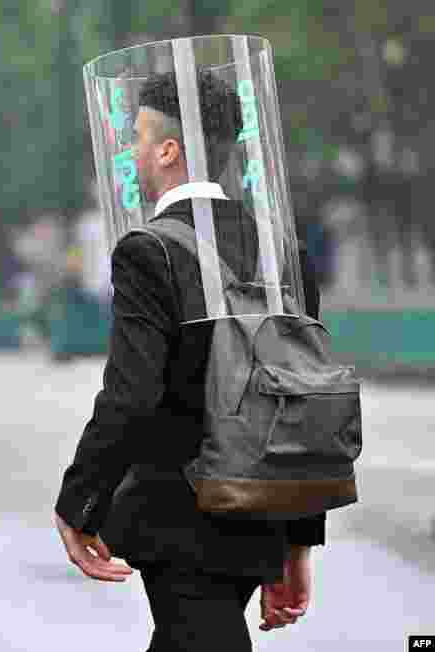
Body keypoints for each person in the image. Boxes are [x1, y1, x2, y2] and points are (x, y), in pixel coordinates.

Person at [54, 61, 323, 650]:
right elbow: (303, 403)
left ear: (169, 150)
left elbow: (131, 394)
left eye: (141, 140)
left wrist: (78, 502)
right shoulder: (284, 251)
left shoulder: (147, 251)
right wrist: (297, 544)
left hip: (181, 516)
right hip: (265, 515)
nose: (133, 154)